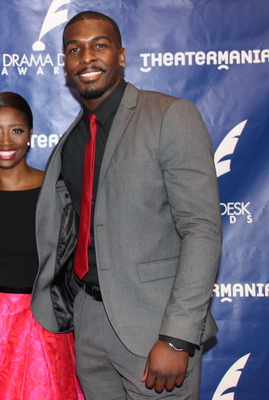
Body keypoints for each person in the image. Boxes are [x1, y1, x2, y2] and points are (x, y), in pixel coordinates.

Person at [35, 11, 222, 399]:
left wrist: (177, 337)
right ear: (65, 64)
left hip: (154, 326)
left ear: (121, 55)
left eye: (99, 45)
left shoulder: (170, 115)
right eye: (74, 50)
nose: (86, 58)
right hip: (89, 321)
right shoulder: (73, 139)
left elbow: (201, 230)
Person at [0, 92, 83, 400]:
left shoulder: (58, 191)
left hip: (43, 322)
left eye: (17, 130)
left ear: (30, 136)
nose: (5, 141)